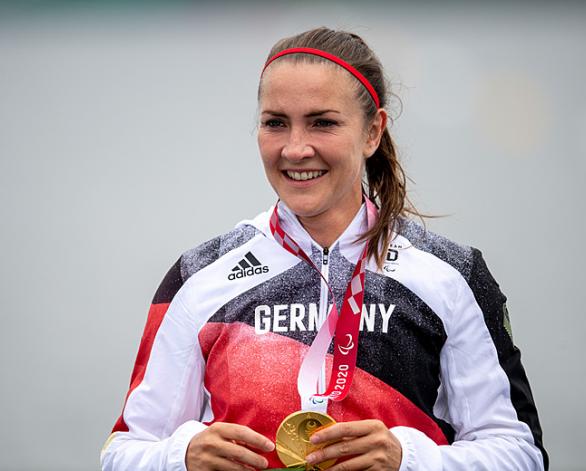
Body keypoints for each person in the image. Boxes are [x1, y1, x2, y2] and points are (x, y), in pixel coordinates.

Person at [100, 27, 548, 471]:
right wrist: (178, 458)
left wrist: (409, 460)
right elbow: (122, 453)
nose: (295, 149)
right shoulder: (198, 277)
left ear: (373, 132)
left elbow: (522, 454)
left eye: (323, 123)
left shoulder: (452, 274)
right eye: (275, 123)